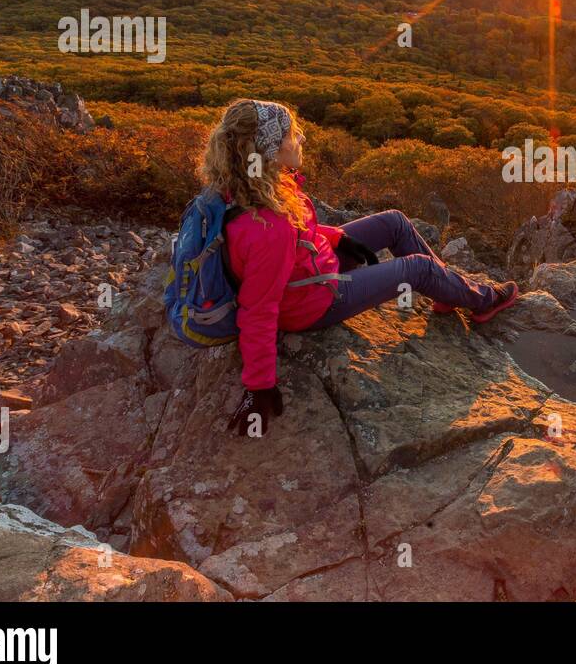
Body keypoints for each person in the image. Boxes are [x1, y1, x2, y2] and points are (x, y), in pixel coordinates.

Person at [201, 98, 518, 435]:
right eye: (292, 135)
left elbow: (296, 234)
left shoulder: (247, 185)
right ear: (270, 149)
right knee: (418, 269)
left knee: (394, 222)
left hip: (310, 266)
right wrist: (259, 386)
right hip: (314, 302)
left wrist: (336, 238)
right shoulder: (267, 228)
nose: (301, 139)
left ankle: (448, 291)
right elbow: (258, 309)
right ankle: (484, 301)